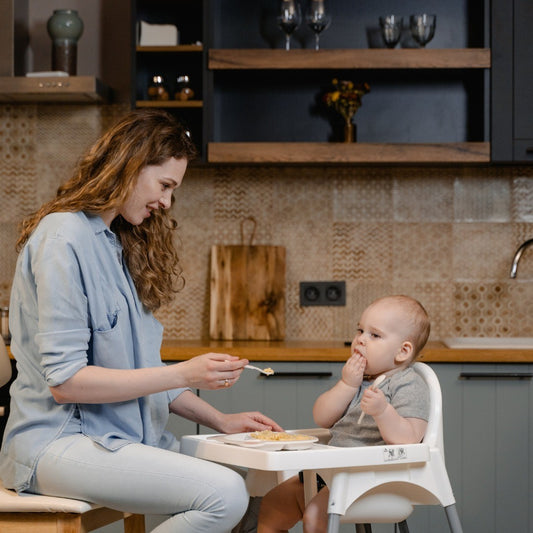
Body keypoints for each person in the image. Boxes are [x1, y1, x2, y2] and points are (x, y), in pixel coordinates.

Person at [0, 109, 283, 533]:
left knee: (248, 484)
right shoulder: (63, 238)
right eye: (164, 185)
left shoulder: (114, 246)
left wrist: (221, 421)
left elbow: (141, 374)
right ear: (130, 165)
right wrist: (186, 372)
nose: (166, 202)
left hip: (110, 440)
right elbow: (67, 383)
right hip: (56, 443)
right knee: (223, 495)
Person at [257, 295, 431, 533]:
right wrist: (347, 384)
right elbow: (322, 418)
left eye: (374, 335)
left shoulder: (408, 384)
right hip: (330, 473)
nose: (360, 340)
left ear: (403, 351)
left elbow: (409, 439)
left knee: (316, 514)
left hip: (374, 477)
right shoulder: (358, 383)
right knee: (273, 503)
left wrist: (383, 412)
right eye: (360, 330)